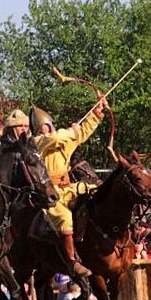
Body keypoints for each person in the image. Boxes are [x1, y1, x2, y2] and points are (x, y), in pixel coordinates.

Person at [30, 98, 108, 278]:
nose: (47, 128)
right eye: (44, 126)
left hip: (69, 187)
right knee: (65, 218)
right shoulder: (36, 143)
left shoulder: (62, 139)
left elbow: (81, 134)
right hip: (50, 192)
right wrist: (72, 130)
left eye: (49, 125)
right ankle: (72, 262)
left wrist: (95, 114)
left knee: (98, 192)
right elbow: (56, 137)